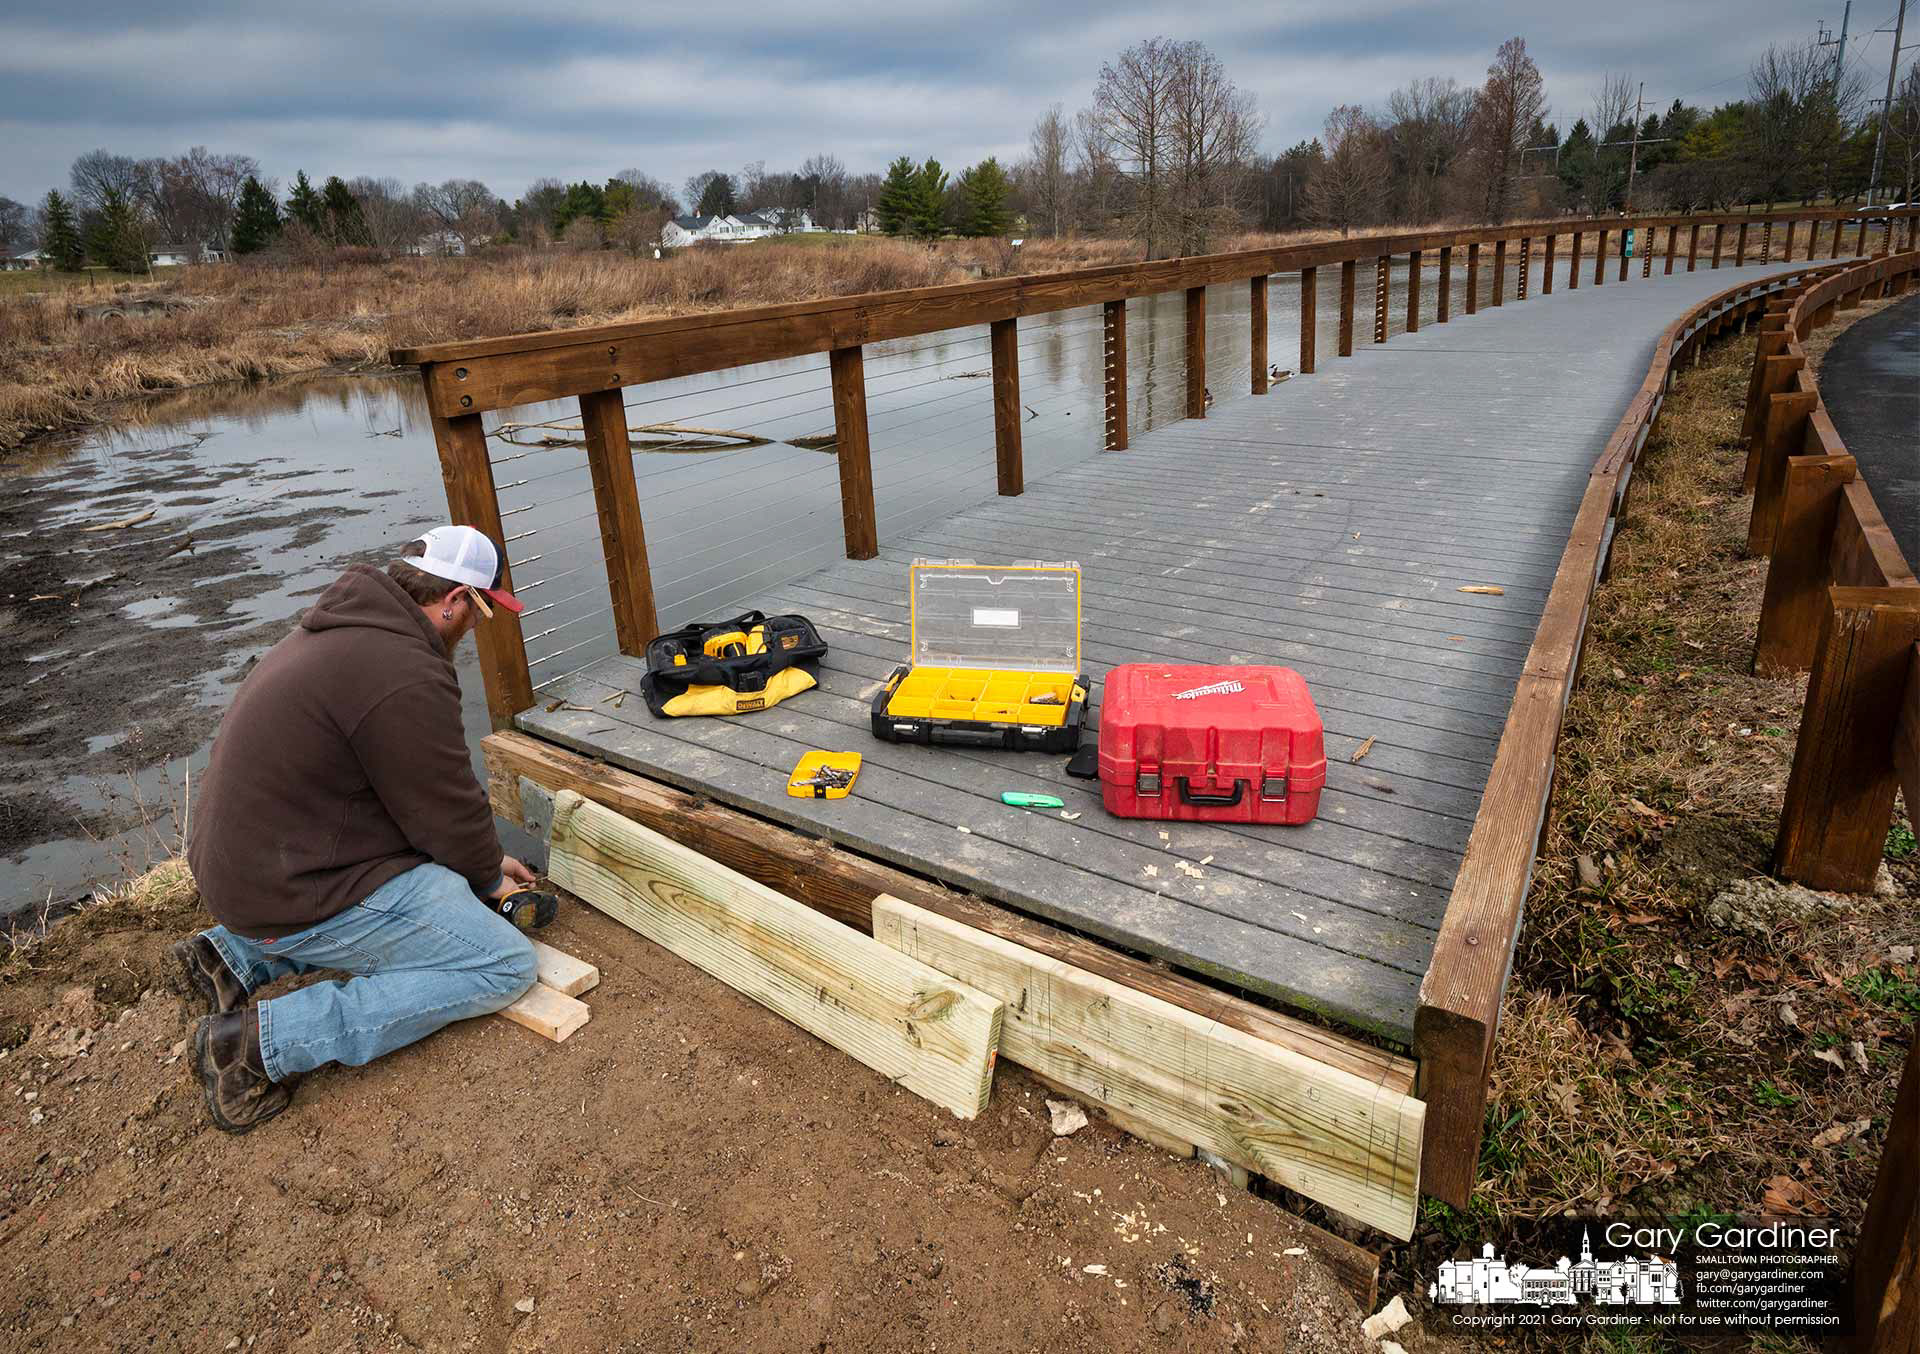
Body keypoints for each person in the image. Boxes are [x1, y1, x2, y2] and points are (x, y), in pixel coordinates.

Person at [177, 525, 544, 1133]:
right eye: (481, 611)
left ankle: (229, 958)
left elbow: (421, 803)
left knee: (441, 879)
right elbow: (444, 807)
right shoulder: (404, 672)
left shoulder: (348, 630)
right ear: (455, 600)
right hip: (283, 890)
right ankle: (257, 1046)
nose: (477, 629)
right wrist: (486, 875)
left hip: (249, 871)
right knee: (502, 964)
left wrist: (476, 860)